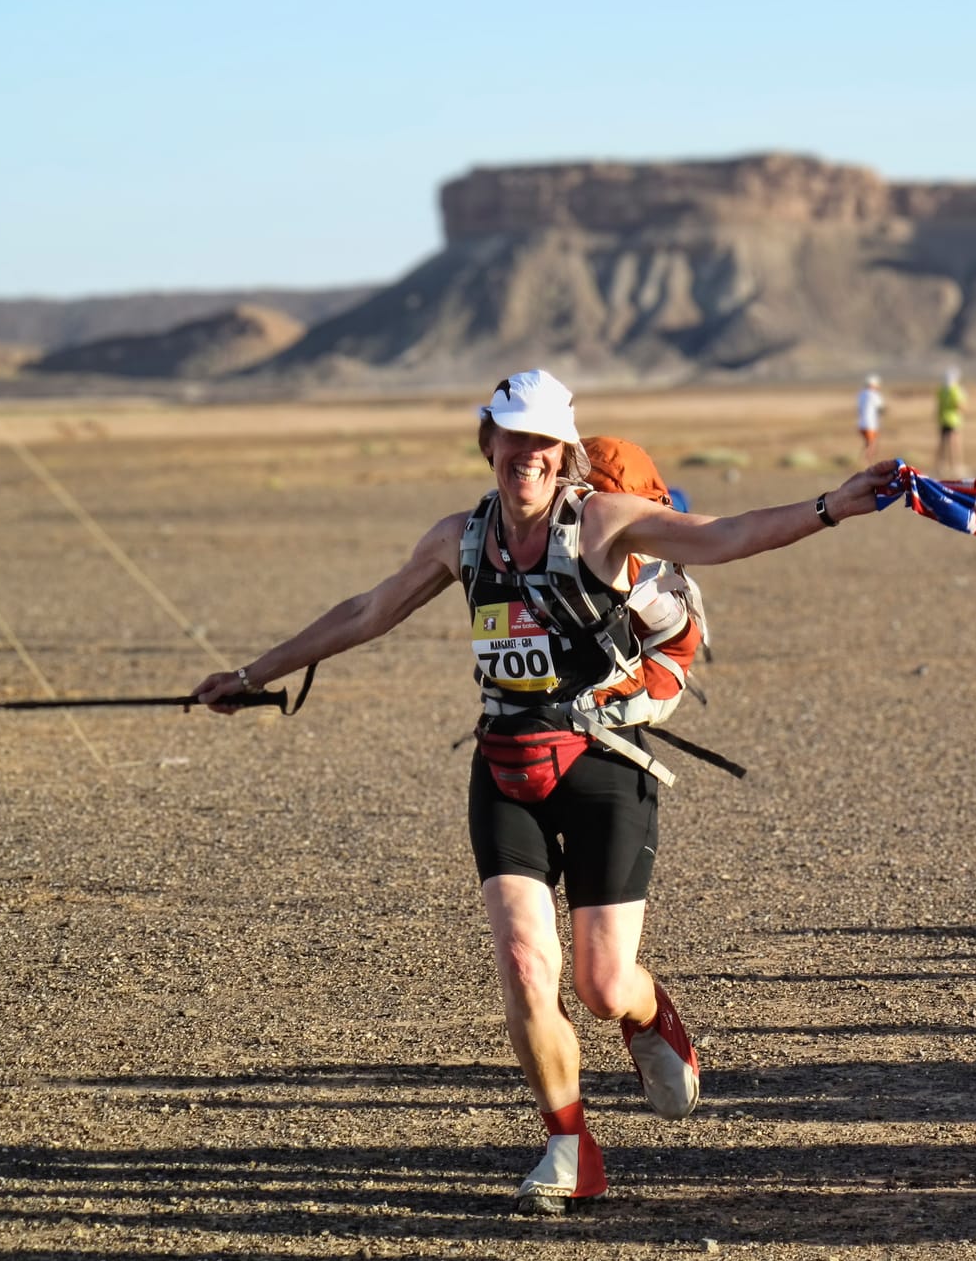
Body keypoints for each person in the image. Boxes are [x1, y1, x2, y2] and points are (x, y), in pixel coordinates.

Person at [193, 370, 898, 1212]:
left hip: (603, 763)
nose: (524, 457)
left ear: (561, 452)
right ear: (487, 443)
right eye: (510, 439)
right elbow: (364, 612)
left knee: (602, 985)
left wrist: (830, 506)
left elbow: (728, 532)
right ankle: (569, 1145)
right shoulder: (459, 539)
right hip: (504, 772)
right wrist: (250, 674)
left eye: (541, 443)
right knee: (528, 966)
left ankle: (647, 1015)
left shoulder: (602, 522)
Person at [935, 365, 967, 475]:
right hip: (954, 420)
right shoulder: (955, 390)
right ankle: (956, 466)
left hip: (943, 418)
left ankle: (941, 466)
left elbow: (939, 405)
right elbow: (959, 405)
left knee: (943, 444)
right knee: (955, 444)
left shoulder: (942, 390)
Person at [857, 373, 885, 461]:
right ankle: (867, 461)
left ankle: (862, 460)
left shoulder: (861, 394)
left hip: (861, 423)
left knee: (867, 443)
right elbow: (880, 407)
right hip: (871, 423)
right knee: (872, 444)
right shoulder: (874, 395)